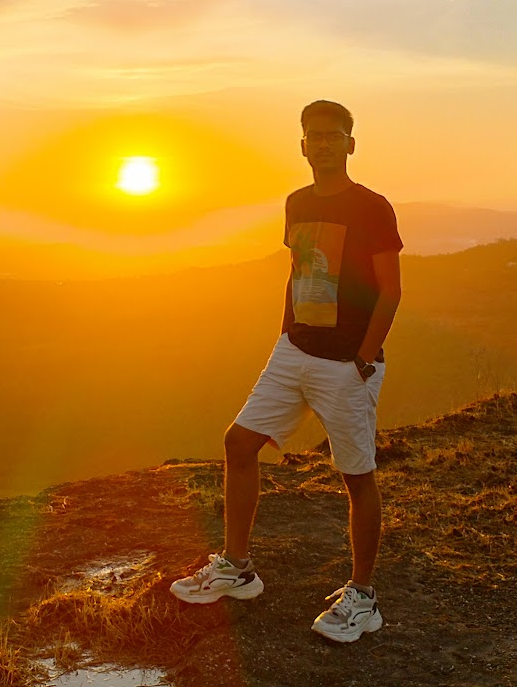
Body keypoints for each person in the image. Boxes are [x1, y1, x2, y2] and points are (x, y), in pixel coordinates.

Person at [171, 99, 403, 643]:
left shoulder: (372, 207)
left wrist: (365, 357)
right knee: (239, 443)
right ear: (302, 144)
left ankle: (363, 598)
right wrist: (285, 332)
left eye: (334, 135)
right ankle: (237, 567)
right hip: (293, 349)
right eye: (313, 136)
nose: (322, 143)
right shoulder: (296, 202)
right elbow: (297, 271)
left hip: (347, 361)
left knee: (356, 475)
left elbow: (391, 289)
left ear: (351, 143)